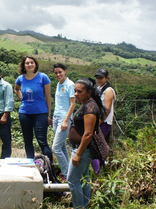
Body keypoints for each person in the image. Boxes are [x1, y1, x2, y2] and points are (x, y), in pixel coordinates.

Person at [67, 78, 105, 208]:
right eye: (75, 91)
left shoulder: (90, 107)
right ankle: (86, 205)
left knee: (72, 180)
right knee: (84, 178)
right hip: (81, 149)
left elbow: (88, 133)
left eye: (79, 91)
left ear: (89, 92)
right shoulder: (87, 103)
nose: (76, 94)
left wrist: (78, 154)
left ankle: (79, 207)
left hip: (82, 150)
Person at [14, 55, 53, 162]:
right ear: (24, 66)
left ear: (35, 64)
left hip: (40, 113)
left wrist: (49, 115)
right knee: (28, 140)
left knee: (42, 141)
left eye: (32, 62)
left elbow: (48, 96)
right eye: (27, 63)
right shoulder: (20, 79)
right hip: (24, 113)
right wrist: (22, 98)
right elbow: (16, 89)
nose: (30, 64)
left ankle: (50, 168)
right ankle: (30, 164)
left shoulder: (43, 77)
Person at [51, 63, 76, 178]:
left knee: (55, 148)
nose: (58, 74)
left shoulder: (70, 85)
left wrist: (66, 121)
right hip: (56, 117)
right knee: (61, 147)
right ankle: (65, 170)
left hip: (64, 119)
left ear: (65, 71)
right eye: (56, 72)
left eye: (60, 72)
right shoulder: (58, 84)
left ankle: (67, 174)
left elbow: (72, 104)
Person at [91, 67, 116, 174]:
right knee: (97, 149)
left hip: (103, 123)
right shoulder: (100, 89)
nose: (99, 80)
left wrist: (96, 124)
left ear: (107, 78)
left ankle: (98, 174)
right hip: (99, 123)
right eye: (97, 77)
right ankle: (100, 173)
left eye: (101, 78)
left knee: (94, 149)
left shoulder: (108, 90)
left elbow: (106, 111)